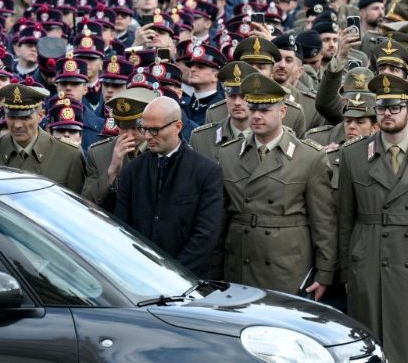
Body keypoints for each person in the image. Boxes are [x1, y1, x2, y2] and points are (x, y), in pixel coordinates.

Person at [336, 74, 408, 362]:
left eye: (395, 107)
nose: (387, 114)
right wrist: (347, 271)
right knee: (371, 345)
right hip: (370, 260)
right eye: (381, 108)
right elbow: (344, 219)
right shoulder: (353, 155)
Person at [215, 73, 336, 299]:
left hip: (285, 267)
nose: (257, 116)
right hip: (240, 262)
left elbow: (324, 222)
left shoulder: (309, 157)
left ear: (282, 112)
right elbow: (221, 218)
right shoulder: (229, 153)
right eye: (253, 109)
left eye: (265, 110)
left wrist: (324, 273)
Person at [114, 97, 223, 277]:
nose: (147, 136)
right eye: (145, 129)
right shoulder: (132, 171)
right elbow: (123, 228)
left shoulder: (206, 172)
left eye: (155, 130)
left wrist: (173, 274)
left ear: (178, 127)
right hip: (139, 277)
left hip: (188, 281)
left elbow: (205, 235)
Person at [0, 82, 85, 192]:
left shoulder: (69, 155)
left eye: (25, 118)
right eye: (12, 117)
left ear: (40, 116)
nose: (17, 125)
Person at [81, 87, 158, 212]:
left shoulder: (161, 149)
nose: (129, 135)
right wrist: (111, 172)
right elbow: (86, 202)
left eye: (136, 128)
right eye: (123, 127)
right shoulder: (98, 153)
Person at [190, 61, 257, 161]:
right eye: (231, 96)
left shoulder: (268, 136)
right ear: (225, 96)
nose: (237, 102)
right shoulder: (201, 139)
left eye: (244, 96)